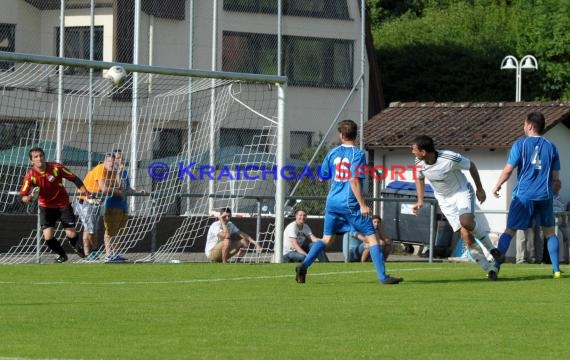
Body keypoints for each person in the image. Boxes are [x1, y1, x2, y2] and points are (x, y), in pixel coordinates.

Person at [295, 119, 402, 284]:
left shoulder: (332, 152)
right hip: (349, 203)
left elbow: (322, 177)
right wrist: (362, 204)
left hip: (332, 202)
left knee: (326, 240)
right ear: (355, 135)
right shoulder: (358, 154)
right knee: (372, 238)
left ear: (341, 135)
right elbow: (353, 180)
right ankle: (382, 277)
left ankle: (304, 265)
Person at [411, 135, 504, 280]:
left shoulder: (449, 158)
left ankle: (493, 250)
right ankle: (490, 269)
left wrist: (480, 189)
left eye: (414, 149)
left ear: (423, 152)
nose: (412, 152)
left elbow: (471, 165)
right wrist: (420, 200)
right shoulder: (418, 162)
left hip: (461, 192)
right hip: (445, 201)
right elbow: (419, 178)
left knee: (466, 221)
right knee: (466, 236)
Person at [491, 111, 561, 279]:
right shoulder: (551, 146)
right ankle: (556, 270)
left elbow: (508, 169)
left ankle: (495, 268)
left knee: (509, 231)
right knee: (550, 232)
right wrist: (553, 192)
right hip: (544, 195)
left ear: (530, 125)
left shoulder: (520, 145)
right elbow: (556, 178)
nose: (523, 127)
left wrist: (497, 186)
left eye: (524, 124)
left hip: (523, 196)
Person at [19, 147, 90, 263]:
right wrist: (28, 198)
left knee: (71, 233)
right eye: (36, 157)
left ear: (44, 156)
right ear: (31, 161)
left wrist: (86, 193)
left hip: (63, 204)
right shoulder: (30, 175)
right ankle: (62, 255)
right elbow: (23, 196)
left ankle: (76, 247)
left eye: (41, 155)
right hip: (45, 207)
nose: (39, 158)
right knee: (48, 237)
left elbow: (75, 178)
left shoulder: (56, 167)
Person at [101, 149, 132, 262]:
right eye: (117, 158)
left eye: (121, 158)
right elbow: (114, 187)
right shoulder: (110, 172)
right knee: (109, 231)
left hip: (123, 206)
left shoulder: (124, 171)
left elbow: (126, 188)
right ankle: (109, 254)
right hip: (112, 205)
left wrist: (137, 191)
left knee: (117, 232)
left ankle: (116, 254)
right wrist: (118, 173)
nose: (120, 160)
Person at [552, 179, 570, 264]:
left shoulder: (559, 197)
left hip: (561, 221)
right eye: (556, 186)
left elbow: (563, 210)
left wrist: (563, 221)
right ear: (552, 186)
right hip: (551, 222)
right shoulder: (548, 196)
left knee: (568, 235)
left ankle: (568, 259)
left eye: (559, 186)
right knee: (559, 236)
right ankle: (561, 259)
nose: (557, 188)